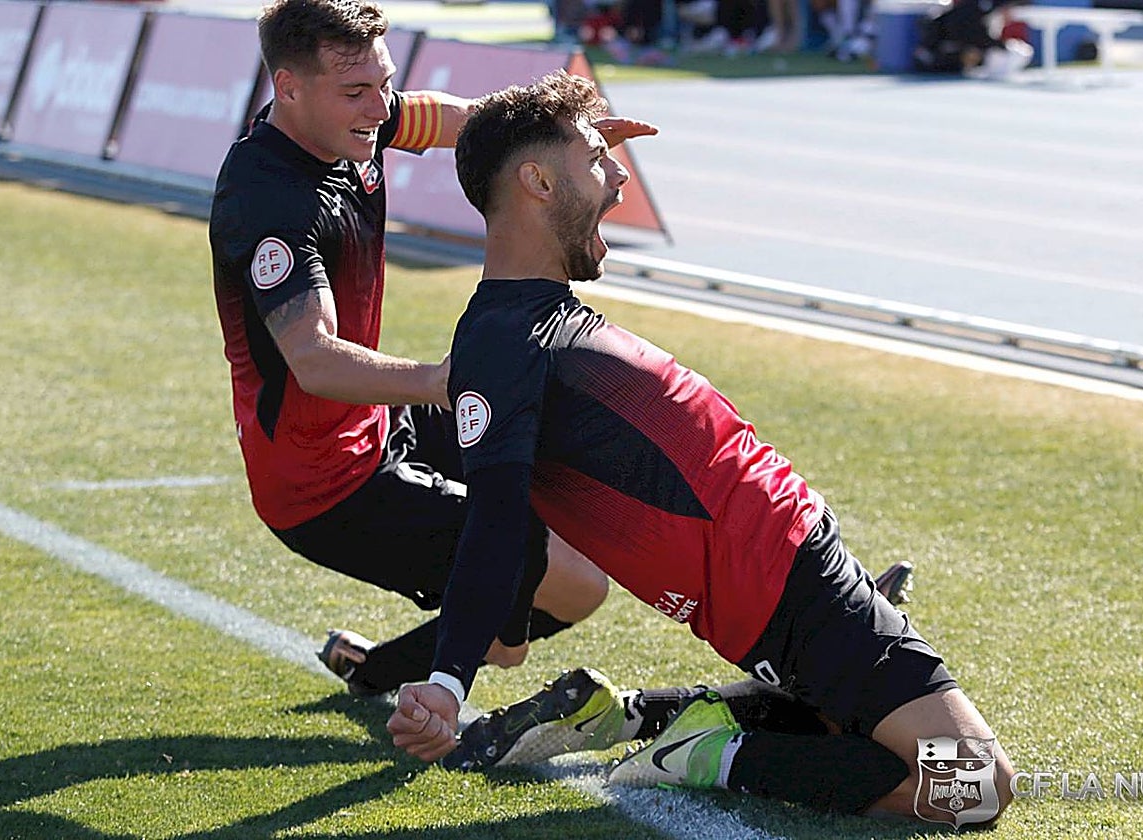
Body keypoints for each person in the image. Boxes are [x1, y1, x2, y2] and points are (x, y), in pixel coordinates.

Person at [384, 69, 1014, 823]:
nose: (618, 177)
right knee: (978, 785)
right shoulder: (502, 340)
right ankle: (705, 754)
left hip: (794, 569)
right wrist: (448, 681)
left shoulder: (532, 315)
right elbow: (495, 523)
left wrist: (570, 136)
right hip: (788, 591)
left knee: (853, 730)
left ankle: (657, 717)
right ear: (537, 183)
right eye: (595, 160)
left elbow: (521, 151)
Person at [209, 0, 653, 697]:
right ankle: (466, 652)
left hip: (384, 422)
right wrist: (450, 380)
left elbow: (464, 121)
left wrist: (573, 142)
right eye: (356, 92)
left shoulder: (355, 118)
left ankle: (382, 668)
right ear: (287, 88)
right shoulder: (269, 201)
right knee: (575, 587)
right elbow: (315, 358)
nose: (379, 106)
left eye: (384, 83)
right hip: (325, 489)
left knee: (578, 470)